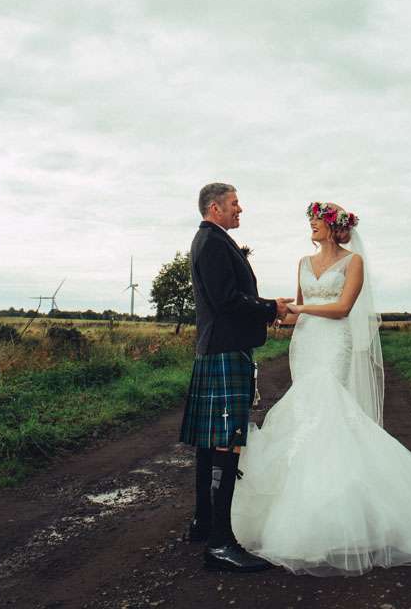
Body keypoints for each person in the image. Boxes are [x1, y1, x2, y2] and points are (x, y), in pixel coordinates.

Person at [231, 201, 411, 575]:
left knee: (329, 407)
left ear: (333, 226)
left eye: (317, 220)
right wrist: (272, 311)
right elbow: (295, 310)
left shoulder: (352, 262)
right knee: (305, 409)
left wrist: (301, 310)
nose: (311, 225)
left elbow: (342, 308)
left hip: (333, 343)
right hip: (305, 343)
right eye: (310, 220)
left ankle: (347, 508)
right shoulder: (303, 263)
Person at [179, 182, 293, 572]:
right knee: (227, 442)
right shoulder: (212, 242)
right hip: (225, 350)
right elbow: (227, 301)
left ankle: (204, 523)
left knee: (211, 442)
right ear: (215, 208)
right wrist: (270, 308)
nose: (240, 209)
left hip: (218, 349)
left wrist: (267, 306)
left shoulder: (211, 240)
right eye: (234, 203)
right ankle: (220, 544)